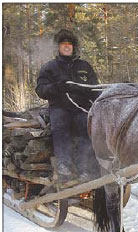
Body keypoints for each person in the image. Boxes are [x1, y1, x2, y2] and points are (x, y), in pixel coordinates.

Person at [35, 29, 100, 182]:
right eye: (63, 44)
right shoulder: (49, 67)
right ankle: (64, 166)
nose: (66, 47)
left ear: (74, 47)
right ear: (58, 47)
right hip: (59, 107)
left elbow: (95, 89)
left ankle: (86, 169)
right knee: (60, 127)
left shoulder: (85, 66)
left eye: (69, 45)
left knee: (87, 129)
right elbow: (40, 89)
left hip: (82, 108)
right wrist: (56, 87)